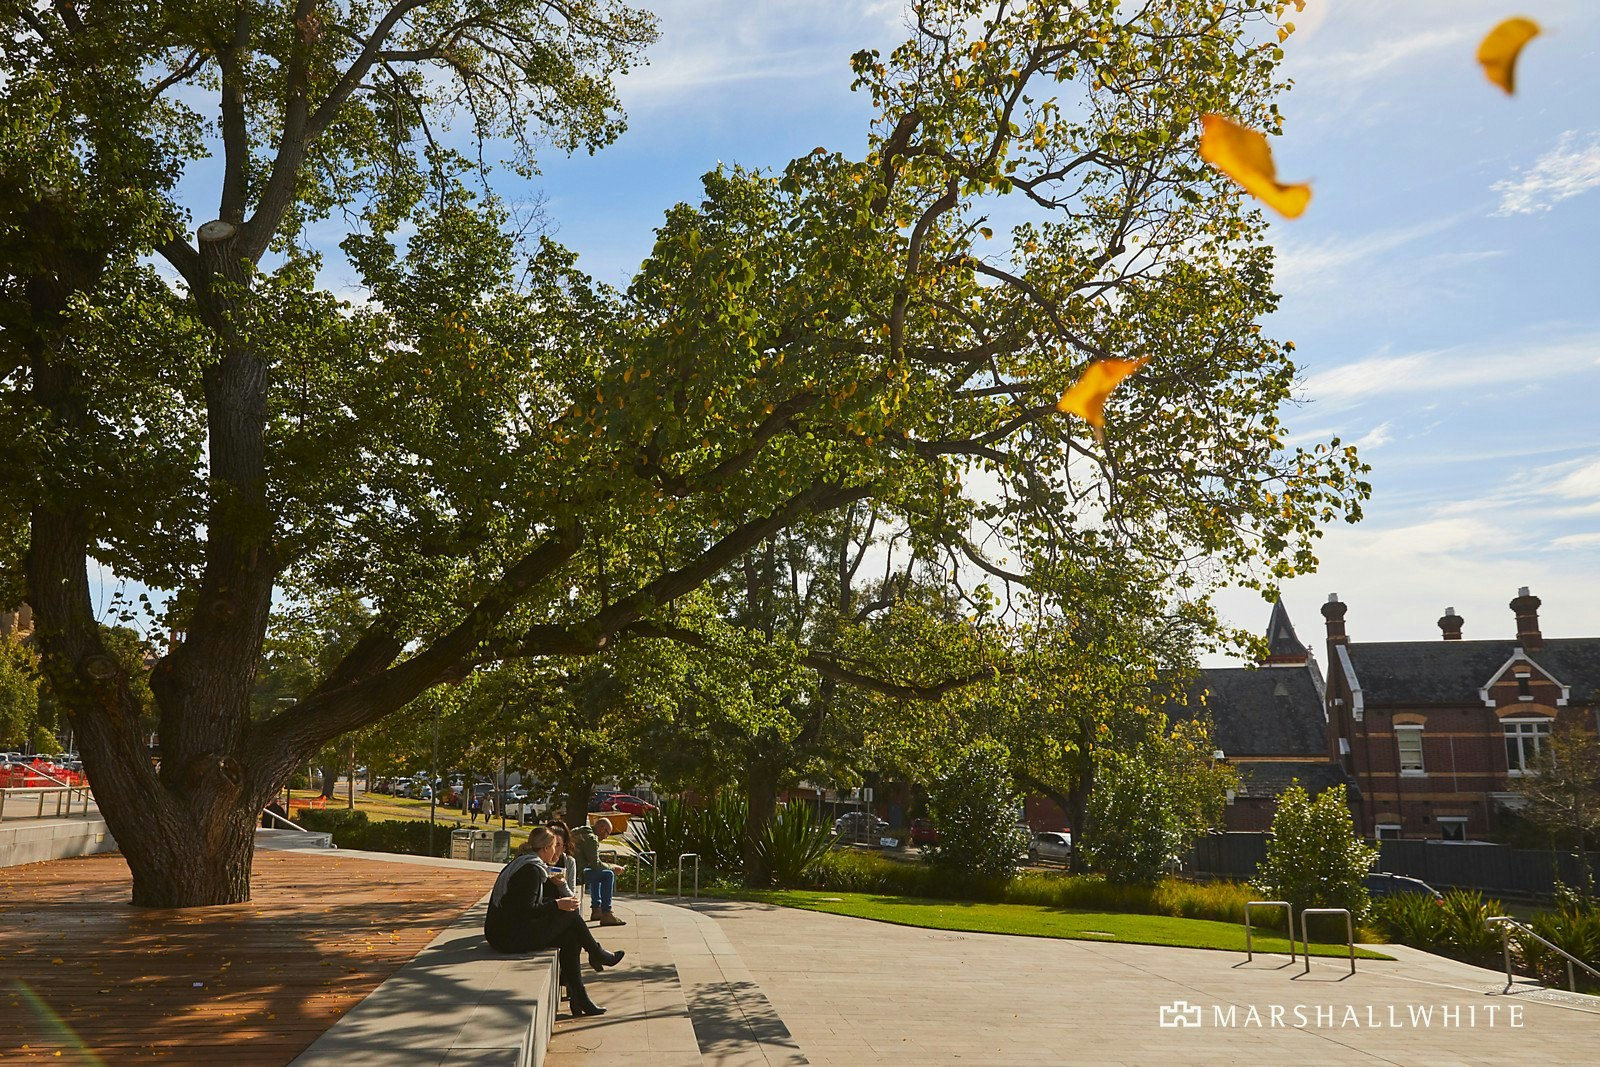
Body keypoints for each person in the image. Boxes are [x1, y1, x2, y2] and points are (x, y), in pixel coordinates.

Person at [483, 827, 625, 1017]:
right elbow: (526, 910)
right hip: (508, 937)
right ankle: (596, 954)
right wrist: (557, 905)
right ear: (545, 848)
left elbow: (525, 904)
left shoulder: (526, 863)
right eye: (553, 846)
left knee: (571, 937)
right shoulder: (531, 870)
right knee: (570, 915)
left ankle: (580, 996)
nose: (556, 852)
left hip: (508, 931)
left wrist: (557, 903)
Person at [571, 817, 627, 927]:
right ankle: (606, 913)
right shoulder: (591, 838)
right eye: (607, 833)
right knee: (608, 875)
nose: (606, 837)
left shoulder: (579, 832)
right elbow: (596, 864)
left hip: (572, 870)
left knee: (597, 873)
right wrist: (613, 868)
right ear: (602, 828)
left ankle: (596, 909)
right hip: (576, 875)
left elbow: (593, 864)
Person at [546, 821, 579, 890]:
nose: (554, 848)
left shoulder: (569, 861)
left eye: (557, 845)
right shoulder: (538, 861)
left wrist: (562, 884)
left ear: (563, 847)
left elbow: (572, 894)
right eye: (551, 844)